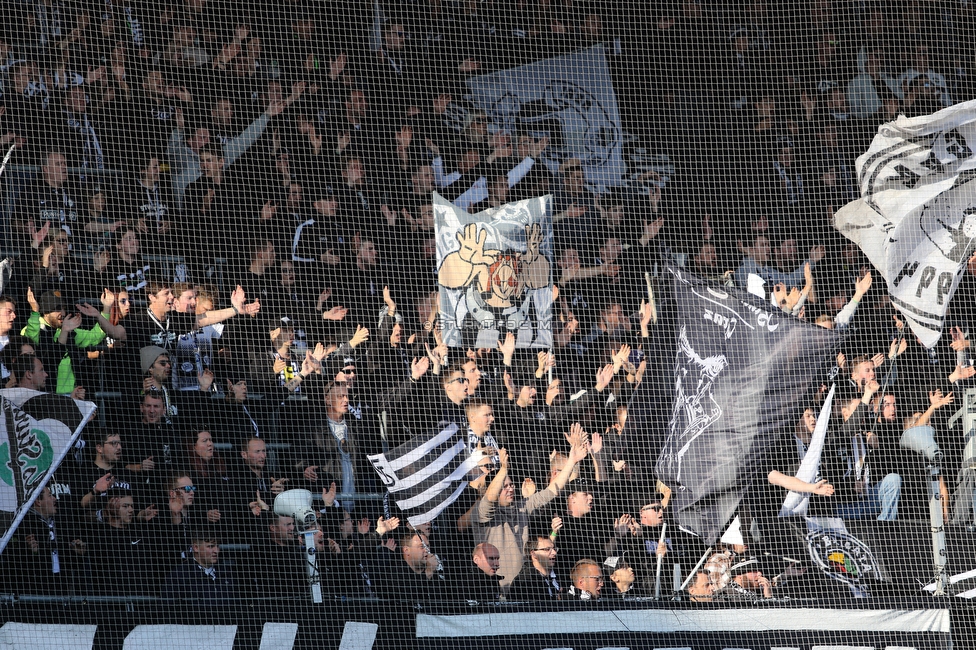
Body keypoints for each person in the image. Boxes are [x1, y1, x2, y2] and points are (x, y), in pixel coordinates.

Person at [474, 442, 588, 591]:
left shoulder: (522, 507)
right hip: (495, 589)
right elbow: (490, 498)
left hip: (522, 587)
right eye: (504, 486)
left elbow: (550, 491)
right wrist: (503, 469)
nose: (510, 489)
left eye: (511, 485)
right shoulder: (483, 511)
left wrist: (572, 461)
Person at [161, 528, 239, 605]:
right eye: (210, 546)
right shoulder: (179, 576)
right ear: (196, 548)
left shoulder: (228, 573)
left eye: (217, 546)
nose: (216, 551)